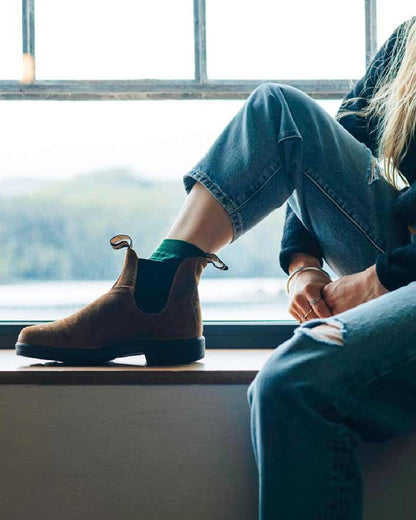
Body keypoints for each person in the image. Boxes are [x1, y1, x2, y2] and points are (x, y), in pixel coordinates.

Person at [15, 15, 416, 519]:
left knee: (292, 382)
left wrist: (383, 279)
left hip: (404, 267)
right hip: (401, 250)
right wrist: (303, 263)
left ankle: (154, 300)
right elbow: (330, 149)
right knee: (279, 111)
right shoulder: (410, 40)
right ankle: (156, 294)